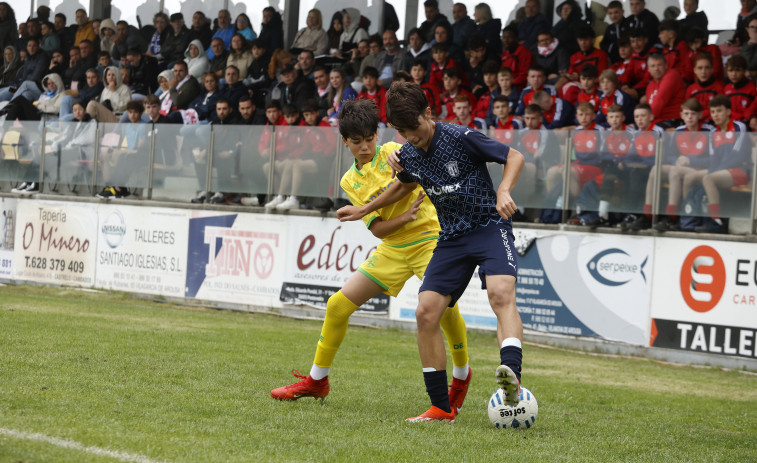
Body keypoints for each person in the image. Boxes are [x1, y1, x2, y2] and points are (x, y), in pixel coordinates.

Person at [337, 82, 526, 422]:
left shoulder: (460, 136)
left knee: (500, 294)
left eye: (416, 130)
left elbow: (514, 156)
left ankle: (511, 378)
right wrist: (365, 210)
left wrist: (504, 189)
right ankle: (441, 407)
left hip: (488, 226)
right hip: (451, 238)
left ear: (428, 113)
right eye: (404, 133)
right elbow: (403, 186)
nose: (413, 138)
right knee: (425, 312)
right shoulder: (408, 152)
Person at [271, 97, 472, 416]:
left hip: (428, 239)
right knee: (337, 304)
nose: (365, 146)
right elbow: (377, 229)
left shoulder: (392, 151)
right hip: (392, 248)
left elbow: (413, 163)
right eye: (357, 142)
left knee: (442, 308)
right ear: (345, 142)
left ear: (377, 136)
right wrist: (403, 219)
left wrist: (402, 156)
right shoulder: (349, 181)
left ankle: (461, 376)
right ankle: (316, 381)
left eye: (369, 139)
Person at [694, 96, 751, 234]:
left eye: (719, 111)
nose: (715, 115)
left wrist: (713, 172)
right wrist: (713, 171)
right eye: (713, 112)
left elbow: (739, 156)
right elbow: (713, 159)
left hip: (741, 170)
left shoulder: (739, 127)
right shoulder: (713, 132)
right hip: (721, 172)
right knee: (690, 176)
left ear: (729, 112)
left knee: (708, 178)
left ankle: (716, 221)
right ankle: (691, 220)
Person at [96, 100, 147, 199]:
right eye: (130, 112)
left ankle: (118, 188)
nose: (133, 115)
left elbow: (140, 146)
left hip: (138, 154)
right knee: (104, 157)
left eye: (135, 112)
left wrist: (123, 151)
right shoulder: (127, 127)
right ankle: (110, 185)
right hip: (127, 151)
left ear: (140, 113)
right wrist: (118, 150)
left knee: (123, 158)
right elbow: (126, 143)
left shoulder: (144, 125)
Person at [642, 53, 685, 128]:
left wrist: (644, 120)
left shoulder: (672, 75)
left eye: (659, 65)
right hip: (657, 121)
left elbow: (659, 101)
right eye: (653, 66)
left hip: (673, 121)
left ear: (666, 66)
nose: (656, 69)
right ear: (648, 69)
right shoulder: (650, 86)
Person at [724, 54, 756, 123]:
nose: (734, 74)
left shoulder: (752, 88)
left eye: (738, 70)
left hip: (747, 123)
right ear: (726, 72)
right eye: (731, 70)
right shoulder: (726, 88)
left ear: (744, 71)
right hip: (730, 124)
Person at [500, 24, 533, 90]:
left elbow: (524, 75)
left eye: (509, 37)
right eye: (504, 37)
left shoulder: (524, 52)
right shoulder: (504, 54)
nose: (506, 40)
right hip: (506, 87)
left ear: (516, 38)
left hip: (520, 89)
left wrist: (509, 84)